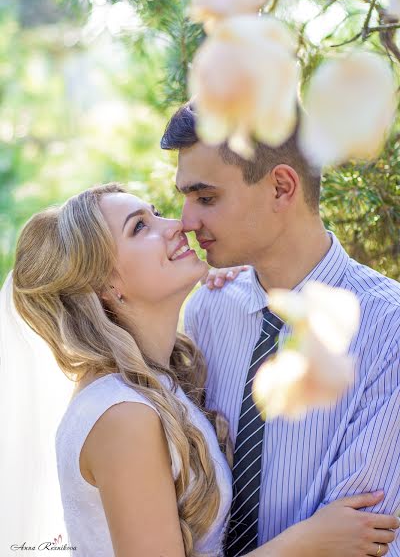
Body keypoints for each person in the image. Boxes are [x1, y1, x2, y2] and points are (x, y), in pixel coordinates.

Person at [3, 182, 397, 557]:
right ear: (107, 285)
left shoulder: (160, 383)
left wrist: (240, 278)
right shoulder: (122, 415)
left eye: (156, 214)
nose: (177, 225)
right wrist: (307, 543)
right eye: (140, 227)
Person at [161, 102, 400, 557]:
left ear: (282, 187)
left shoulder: (390, 328)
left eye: (206, 198)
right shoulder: (208, 309)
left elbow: (357, 538)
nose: (188, 222)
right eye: (185, 199)